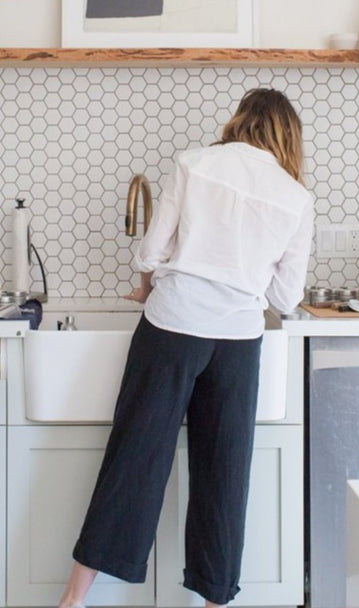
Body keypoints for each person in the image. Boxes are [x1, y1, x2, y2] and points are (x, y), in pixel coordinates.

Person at [58, 87, 314, 608]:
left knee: (134, 458)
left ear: (240, 119)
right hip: (238, 342)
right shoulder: (295, 197)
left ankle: (72, 600)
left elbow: (151, 251)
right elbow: (286, 298)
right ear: (288, 136)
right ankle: (215, 601)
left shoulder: (194, 163)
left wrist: (156, 279)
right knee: (225, 472)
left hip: (173, 325)